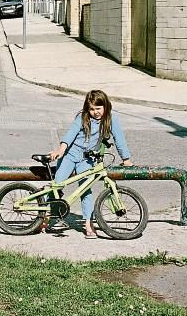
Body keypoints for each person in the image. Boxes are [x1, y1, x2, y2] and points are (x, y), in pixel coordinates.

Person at [47, 89, 132, 238]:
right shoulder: (82, 117)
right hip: (69, 156)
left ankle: (88, 223)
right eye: (92, 109)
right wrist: (60, 150)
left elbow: (119, 139)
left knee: (85, 190)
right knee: (58, 184)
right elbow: (70, 135)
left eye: (98, 108)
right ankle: (47, 217)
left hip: (87, 159)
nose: (95, 112)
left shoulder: (111, 120)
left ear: (106, 106)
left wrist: (126, 159)